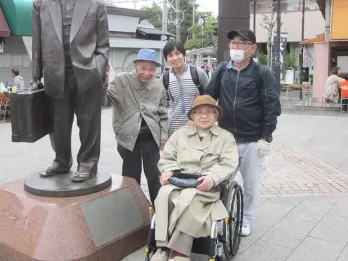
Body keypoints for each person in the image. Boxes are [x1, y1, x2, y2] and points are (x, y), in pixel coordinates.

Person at [31, 0, 110, 182]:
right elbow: (37, 42)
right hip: (56, 75)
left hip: (88, 74)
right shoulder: (41, 4)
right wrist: (36, 76)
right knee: (58, 124)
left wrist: (97, 68)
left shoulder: (96, 5)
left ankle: (88, 163)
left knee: (89, 124)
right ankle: (61, 161)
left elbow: (103, 45)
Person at [206, 28, 280, 237]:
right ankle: (218, 217)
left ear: (252, 48)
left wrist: (266, 136)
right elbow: (210, 99)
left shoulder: (261, 73)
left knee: (250, 184)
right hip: (226, 138)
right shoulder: (222, 70)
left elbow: (271, 105)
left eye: (241, 43)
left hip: (252, 139)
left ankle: (246, 220)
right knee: (220, 181)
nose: (236, 47)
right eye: (233, 43)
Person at [152, 95, 238, 261]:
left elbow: (228, 164)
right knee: (163, 195)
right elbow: (167, 158)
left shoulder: (226, 137)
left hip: (206, 186)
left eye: (209, 112)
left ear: (216, 116)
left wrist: (212, 178)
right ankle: (162, 247)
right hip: (179, 180)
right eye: (199, 112)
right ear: (192, 116)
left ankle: (179, 252)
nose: (204, 116)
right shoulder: (179, 134)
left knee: (189, 200)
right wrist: (167, 171)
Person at [103, 49, 168, 204]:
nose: (147, 73)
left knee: (154, 176)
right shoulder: (121, 81)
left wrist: (164, 136)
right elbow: (105, 102)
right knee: (131, 176)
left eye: (151, 69)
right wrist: (103, 85)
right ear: (136, 65)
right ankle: (133, 212)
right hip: (128, 137)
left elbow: (163, 113)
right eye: (143, 68)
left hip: (150, 137)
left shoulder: (158, 86)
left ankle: (159, 213)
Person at [162, 41, 209, 137]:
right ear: (167, 59)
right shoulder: (165, 78)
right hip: (173, 132)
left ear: (184, 55)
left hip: (197, 129)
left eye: (177, 53)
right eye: (170, 55)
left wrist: (195, 119)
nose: (175, 58)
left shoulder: (198, 73)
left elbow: (209, 100)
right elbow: (163, 107)